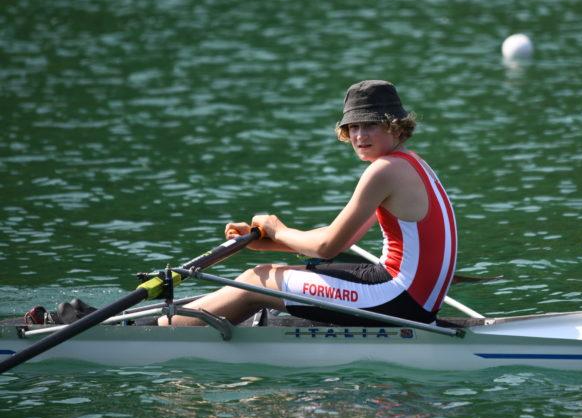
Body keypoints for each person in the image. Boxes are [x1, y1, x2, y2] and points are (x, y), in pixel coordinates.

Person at [159, 80, 458, 327]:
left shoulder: (384, 171)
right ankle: (182, 324)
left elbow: (327, 247)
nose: (359, 135)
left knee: (256, 280)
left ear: (396, 126)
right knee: (269, 271)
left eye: (370, 125)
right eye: (353, 126)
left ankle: (160, 332)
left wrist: (277, 229)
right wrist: (270, 242)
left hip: (397, 299)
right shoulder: (412, 163)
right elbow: (341, 240)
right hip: (416, 301)